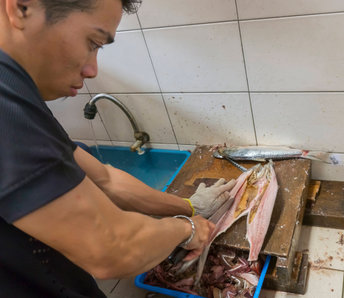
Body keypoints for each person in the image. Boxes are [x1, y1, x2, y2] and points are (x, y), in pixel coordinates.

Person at [0, 0, 236, 296]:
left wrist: (190, 206)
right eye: (92, 42)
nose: (93, 69)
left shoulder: (20, 97)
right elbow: (111, 247)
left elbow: (106, 180)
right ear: (22, 7)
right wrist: (186, 230)